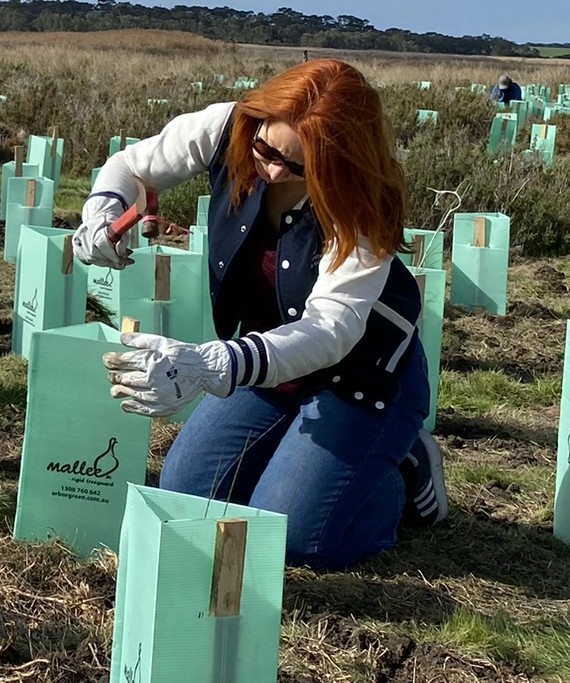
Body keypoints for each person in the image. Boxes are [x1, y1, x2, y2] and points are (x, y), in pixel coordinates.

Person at [79, 59, 443, 572]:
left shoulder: (360, 206)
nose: (272, 171)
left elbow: (330, 330)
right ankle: (311, 467)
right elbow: (133, 165)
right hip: (269, 363)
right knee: (188, 494)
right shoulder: (229, 127)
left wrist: (213, 365)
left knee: (291, 542)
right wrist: (103, 210)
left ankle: (399, 476)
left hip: (358, 378)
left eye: (299, 167)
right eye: (267, 151)